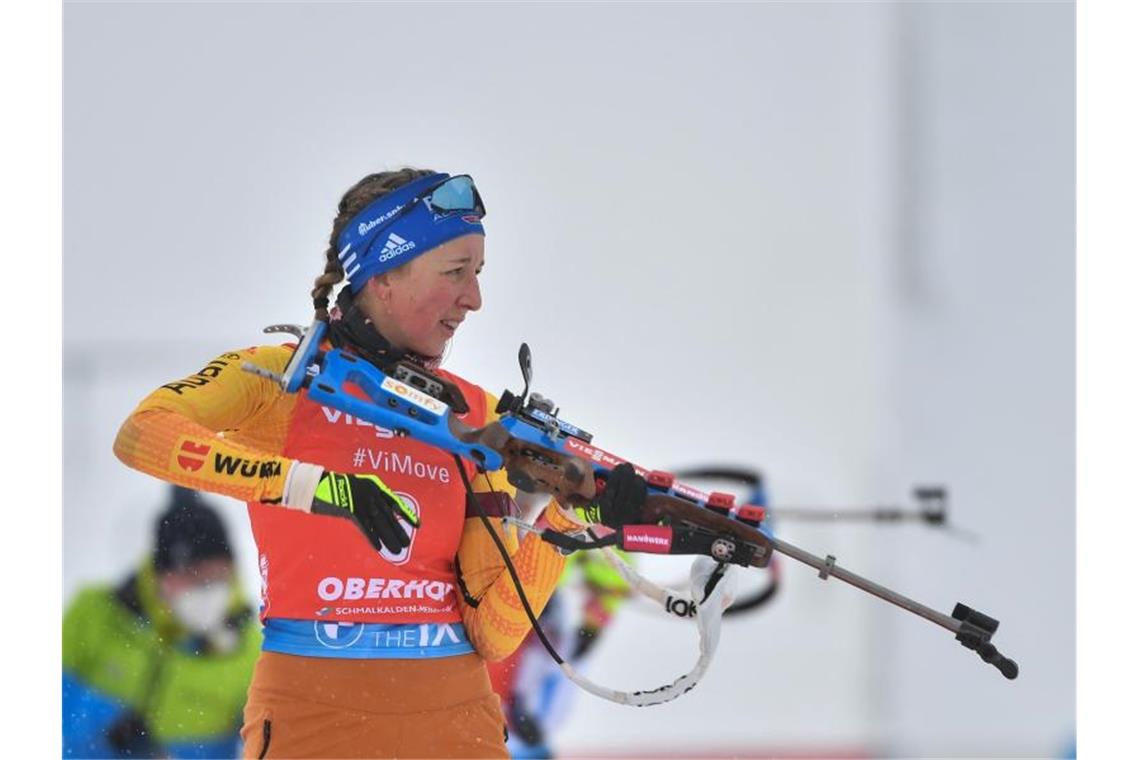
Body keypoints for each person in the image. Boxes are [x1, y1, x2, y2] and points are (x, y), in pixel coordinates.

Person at [112, 168, 649, 758]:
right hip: (312, 711)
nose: (474, 298)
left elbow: (493, 635)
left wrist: (568, 523)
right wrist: (317, 487)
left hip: (456, 720)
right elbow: (143, 434)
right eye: (455, 272)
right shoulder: (284, 376)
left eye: (477, 274)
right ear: (385, 273)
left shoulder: (476, 414)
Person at [63, 485, 261, 759]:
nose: (207, 590)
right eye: (191, 576)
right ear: (160, 575)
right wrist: (101, 734)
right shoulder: (94, 615)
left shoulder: (251, 652)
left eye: (217, 576)